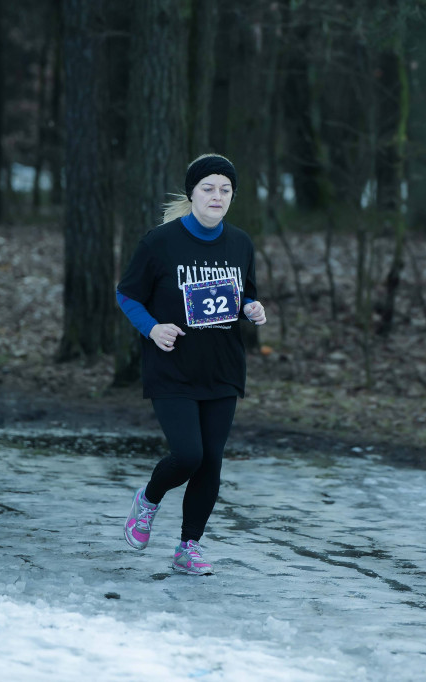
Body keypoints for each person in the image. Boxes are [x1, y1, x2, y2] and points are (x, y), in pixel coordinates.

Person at [116, 154, 267, 576]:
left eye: (225, 190)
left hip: (222, 367)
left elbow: (243, 297)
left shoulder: (240, 243)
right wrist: (152, 329)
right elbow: (127, 295)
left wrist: (252, 309)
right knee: (188, 455)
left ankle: (189, 547)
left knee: (211, 462)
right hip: (173, 367)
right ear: (192, 193)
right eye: (209, 188)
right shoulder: (159, 242)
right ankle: (148, 498)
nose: (217, 196)